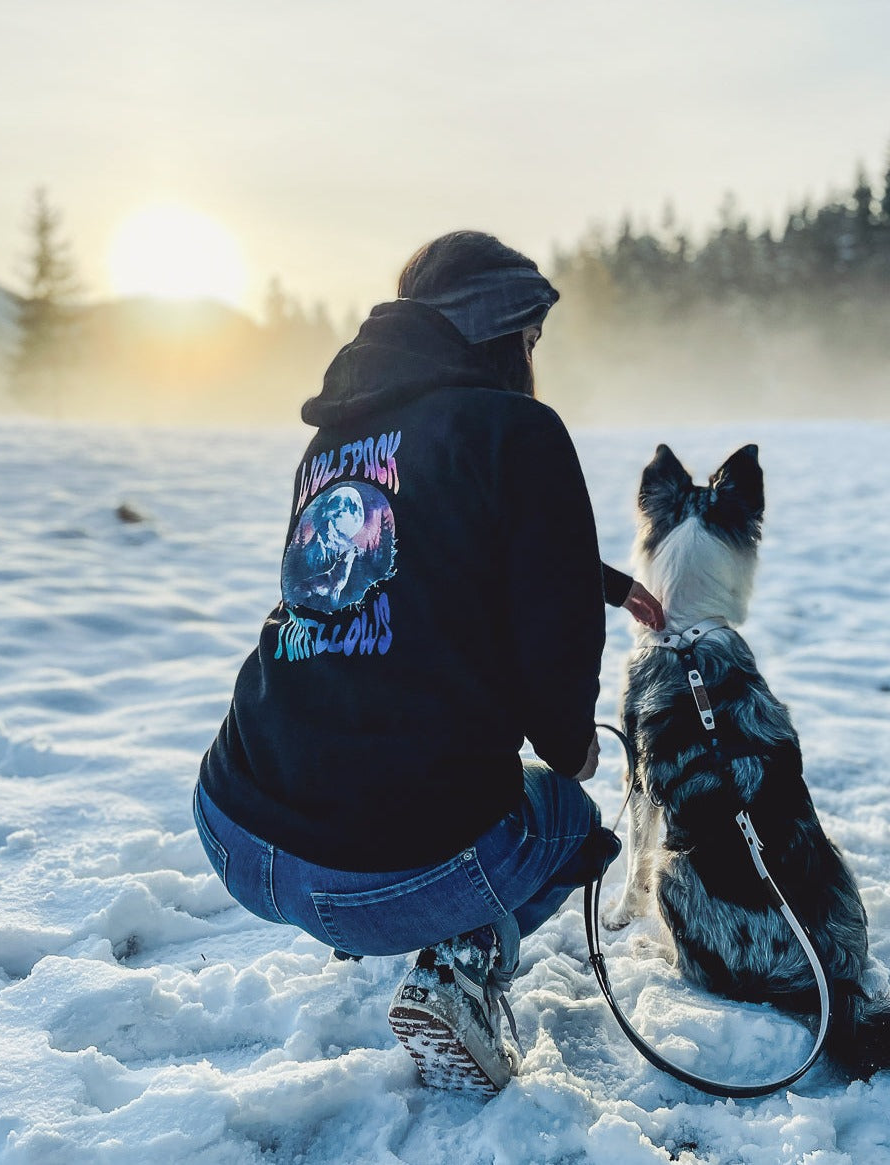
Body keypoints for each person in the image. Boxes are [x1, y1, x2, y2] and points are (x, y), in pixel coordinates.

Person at [193, 230, 664, 1095]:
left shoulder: (337, 436)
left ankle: (377, 911)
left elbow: (406, 538)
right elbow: (552, 660)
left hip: (236, 824)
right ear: (503, 333)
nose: (533, 359)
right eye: (530, 339)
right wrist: (571, 745)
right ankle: (460, 971)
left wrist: (597, 579)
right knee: (565, 819)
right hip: (373, 872)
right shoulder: (518, 429)